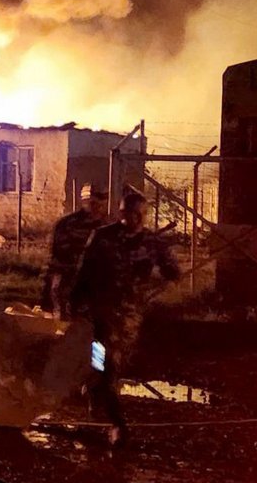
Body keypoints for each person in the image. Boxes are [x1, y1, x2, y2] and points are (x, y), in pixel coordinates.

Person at [70, 187, 181, 444]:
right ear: (120, 213)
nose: (131, 219)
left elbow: (173, 273)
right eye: (126, 214)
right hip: (102, 310)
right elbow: (84, 270)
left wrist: (151, 290)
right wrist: (75, 301)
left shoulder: (153, 243)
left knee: (111, 364)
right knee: (104, 360)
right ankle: (117, 423)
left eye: (136, 214)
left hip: (130, 316)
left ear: (143, 215)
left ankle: (96, 388)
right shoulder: (103, 237)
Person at [42, 184, 109, 317]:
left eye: (99, 202)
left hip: (95, 287)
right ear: (83, 201)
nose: (95, 206)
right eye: (91, 202)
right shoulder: (66, 224)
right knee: (64, 326)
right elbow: (54, 258)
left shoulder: (107, 227)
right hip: (68, 283)